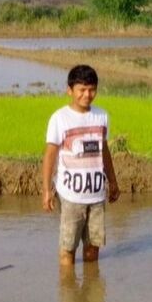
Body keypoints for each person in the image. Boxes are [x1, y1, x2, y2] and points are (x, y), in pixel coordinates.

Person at [41, 64, 121, 266]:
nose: (87, 95)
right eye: (82, 90)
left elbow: (104, 150)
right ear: (70, 90)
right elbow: (50, 155)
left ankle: (90, 291)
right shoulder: (60, 118)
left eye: (92, 89)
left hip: (96, 195)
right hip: (70, 196)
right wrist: (46, 190)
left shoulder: (102, 116)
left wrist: (113, 181)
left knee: (93, 247)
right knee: (68, 248)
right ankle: (68, 294)